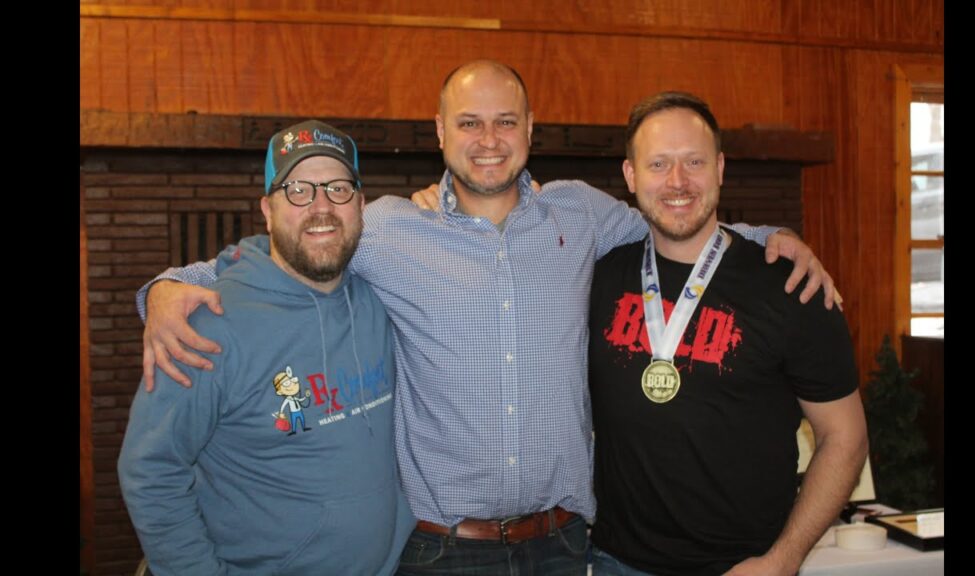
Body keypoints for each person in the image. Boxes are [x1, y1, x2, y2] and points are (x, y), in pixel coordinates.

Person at [136, 61, 836, 575]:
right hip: (442, 551)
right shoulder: (384, 228)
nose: (489, 138)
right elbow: (290, 247)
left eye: (506, 120)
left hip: (565, 546)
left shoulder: (581, 214)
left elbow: (677, 218)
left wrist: (773, 236)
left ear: (530, 130)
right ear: (440, 132)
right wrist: (169, 286)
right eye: (469, 122)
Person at [587, 92, 867, 576]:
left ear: (719, 167)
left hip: (745, 567)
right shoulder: (597, 277)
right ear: (631, 176)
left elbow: (846, 436)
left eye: (693, 162)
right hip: (616, 562)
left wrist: (782, 560)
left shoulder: (791, 286)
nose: (677, 182)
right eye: (659, 164)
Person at [118, 120, 414, 575]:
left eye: (337, 188)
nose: (321, 207)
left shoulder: (385, 296)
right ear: (267, 210)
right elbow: (150, 470)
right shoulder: (209, 324)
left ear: (360, 204)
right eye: (297, 189)